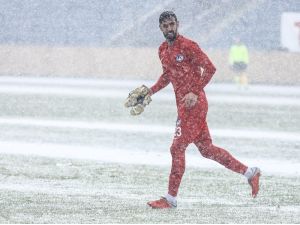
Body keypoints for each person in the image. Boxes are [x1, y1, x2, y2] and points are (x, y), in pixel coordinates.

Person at [146, 11, 260, 209]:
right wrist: (150, 91)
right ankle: (250, 172)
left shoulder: (188, 45)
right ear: (160, 29)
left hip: (194, 105)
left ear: (177, 24)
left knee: (177, 148)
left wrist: (194, 92)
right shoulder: (163, 50)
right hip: (184, 106)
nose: (169, 29)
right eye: (165, 26)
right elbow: (167, 76)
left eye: (172, 24)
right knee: (207, 150)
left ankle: (170, 199)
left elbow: (210, 68)